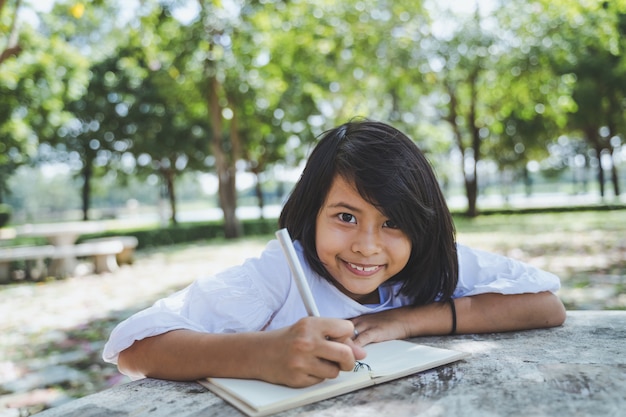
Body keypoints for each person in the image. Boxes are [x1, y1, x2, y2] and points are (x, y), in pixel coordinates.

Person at [103, 119, 566, 388]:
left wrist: (403, 320)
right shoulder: (282, 270)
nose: (367, 245)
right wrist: (258, 355)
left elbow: (546, 306)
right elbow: (134, 348)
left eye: (393, 222)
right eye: (345, 217)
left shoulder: (432, 260)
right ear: (312, 212)